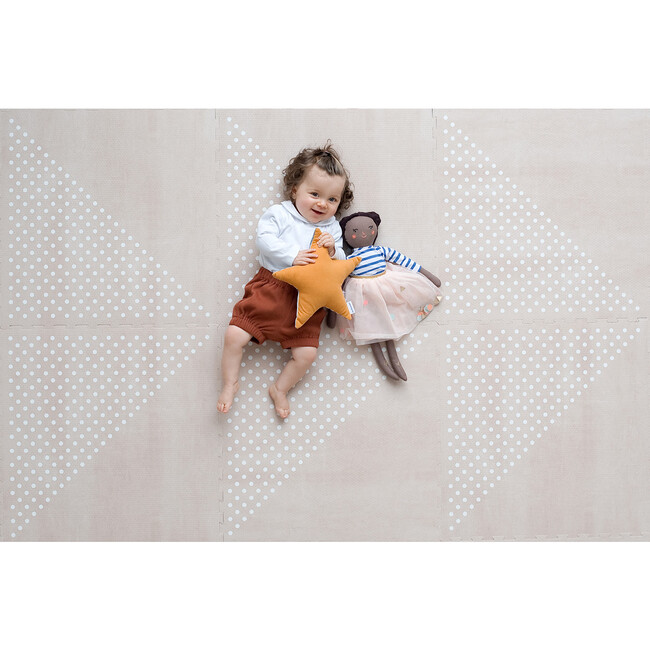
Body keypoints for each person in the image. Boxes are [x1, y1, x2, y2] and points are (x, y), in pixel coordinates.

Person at [217, 142, 354, 418]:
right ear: (295, 190)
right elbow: (264, 240)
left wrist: (333, 249)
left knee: (306, 356)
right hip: (272, 289)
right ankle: (230, 382)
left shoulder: (331, 228)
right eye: (314, 193)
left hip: (307, 303)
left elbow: (340, 264)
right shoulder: (280, 214)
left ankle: (280, 388)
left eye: (331, 199)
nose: (322, 204)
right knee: (234, 334)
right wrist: (292, 255)